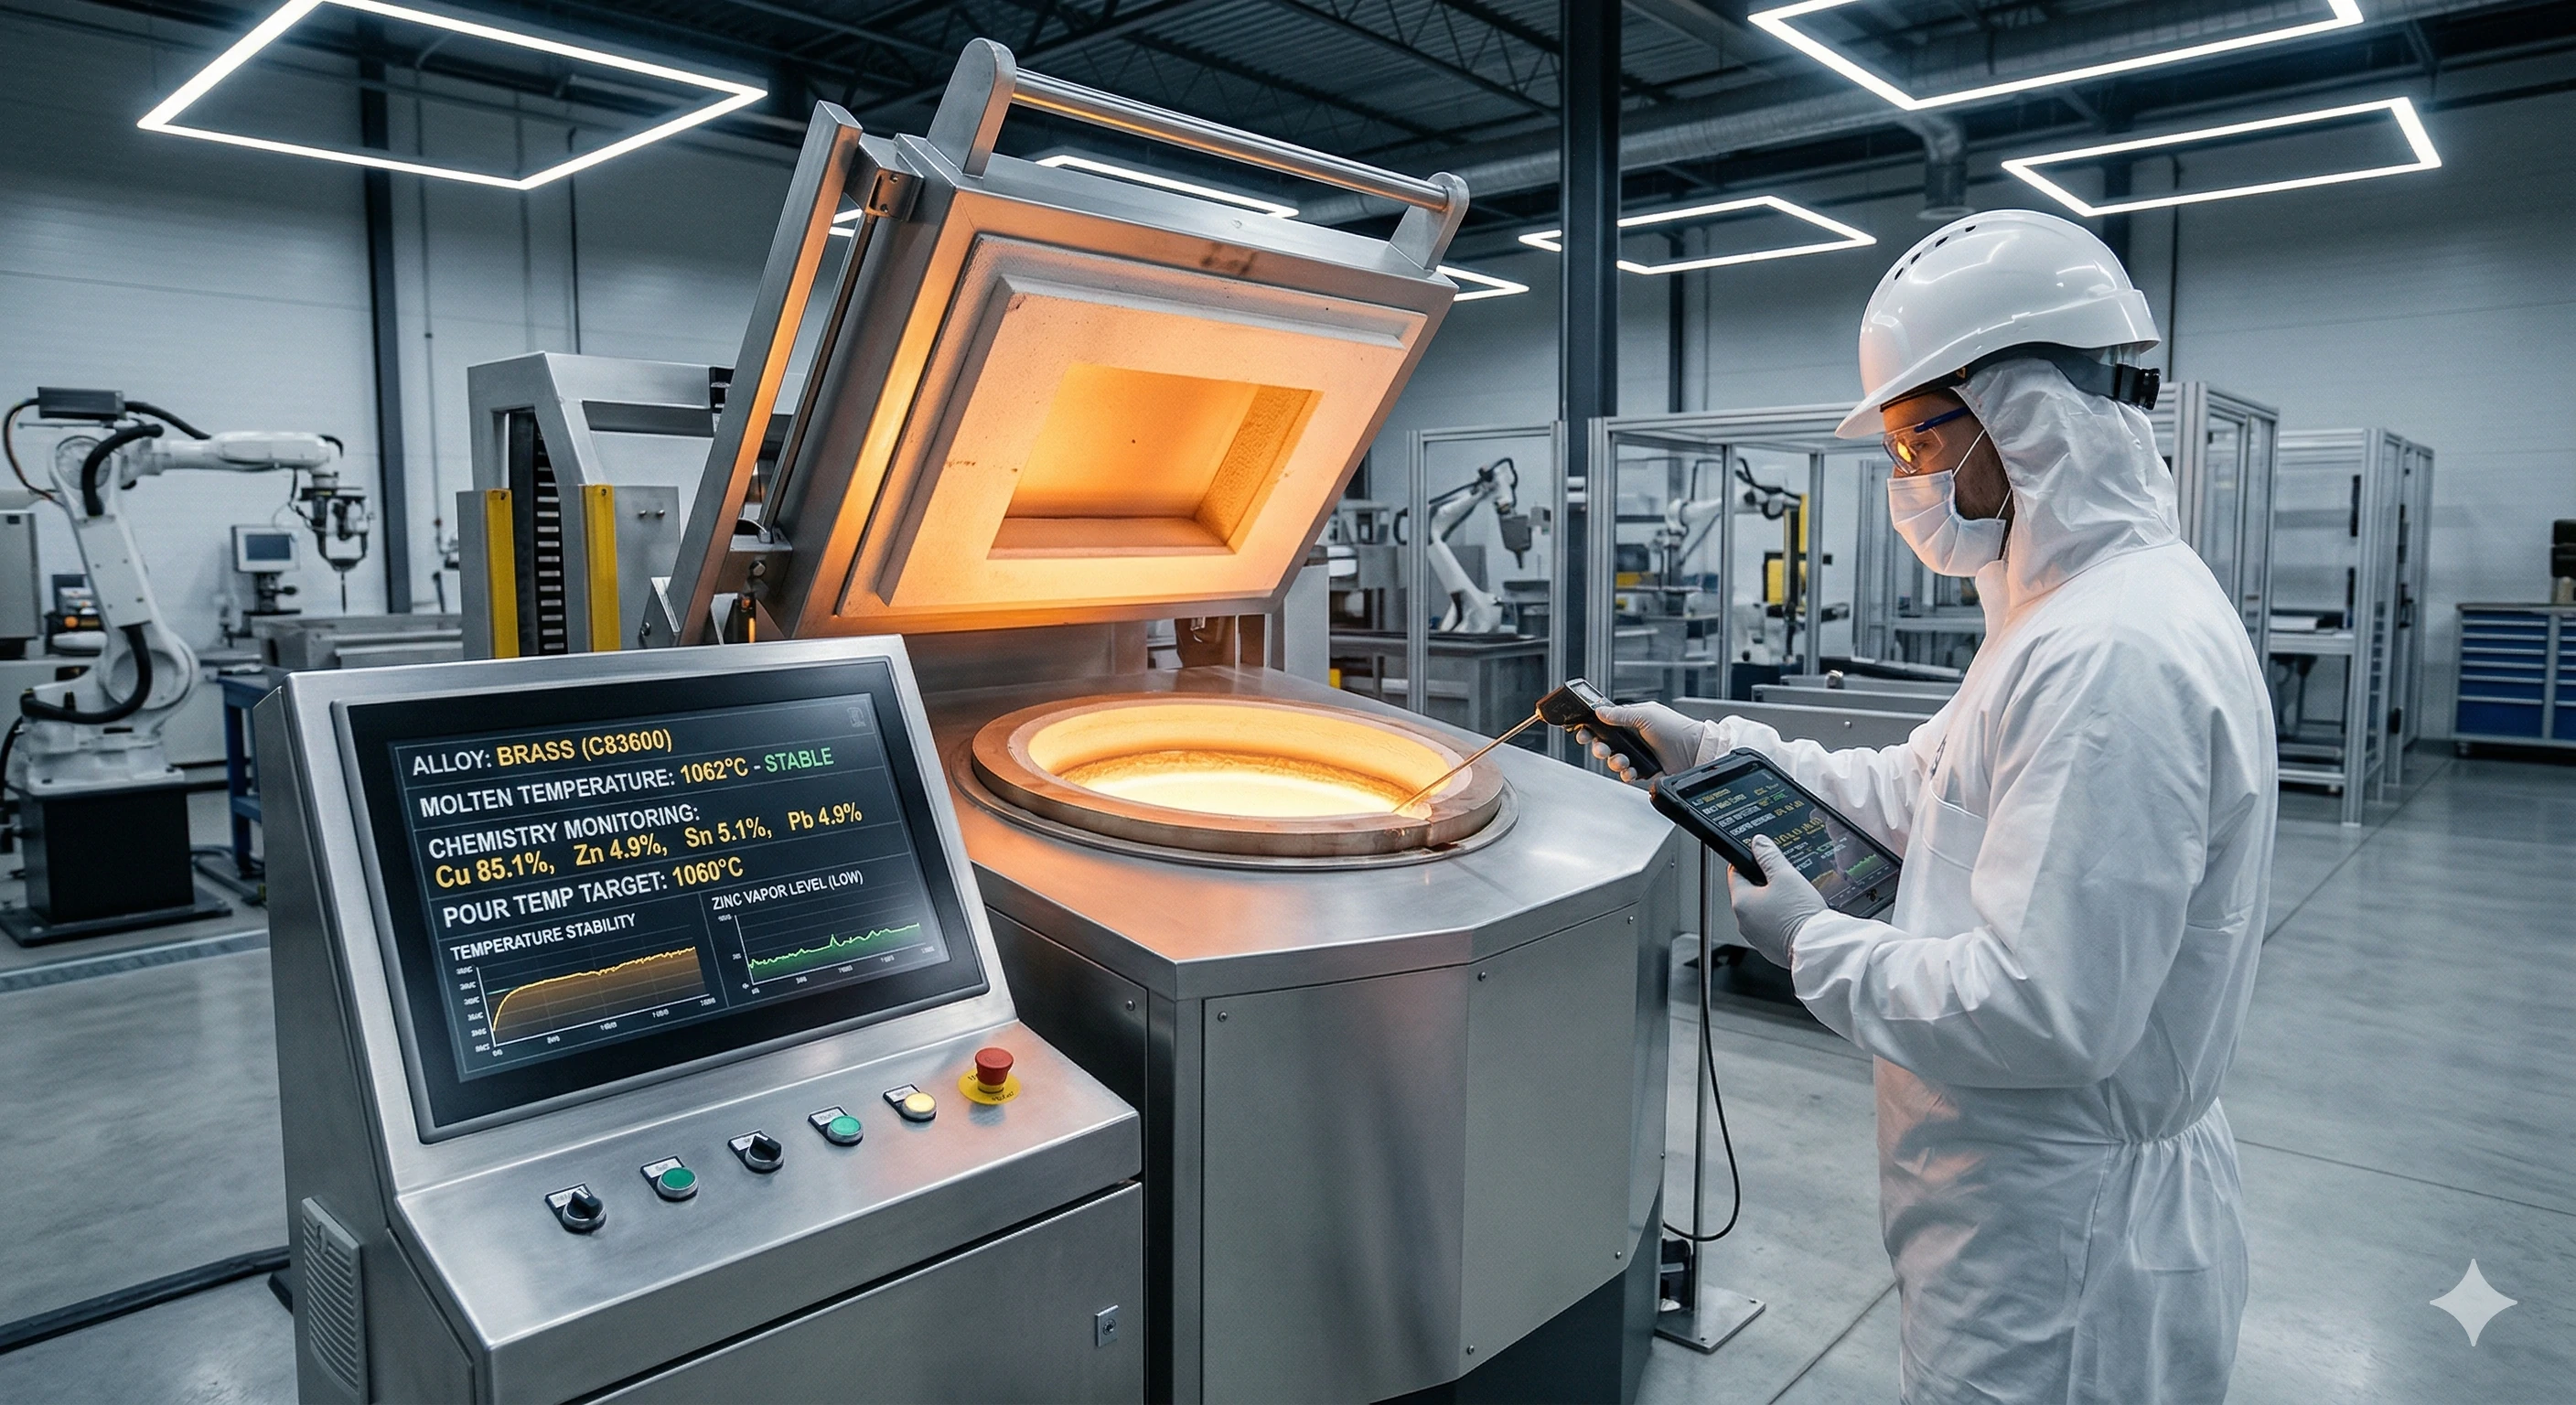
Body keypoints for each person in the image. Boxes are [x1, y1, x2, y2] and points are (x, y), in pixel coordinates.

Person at [1586, 209, 2277, 1403]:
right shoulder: (2056, 619)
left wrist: (1814, 945)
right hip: (2006, 1205)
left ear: (2020, 412)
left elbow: (2043, 1010)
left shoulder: (2114, 657)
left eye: (1918, 442)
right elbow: (1922, 791)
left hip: (2063, 1256)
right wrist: (1712, 749)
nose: (1909, 481)